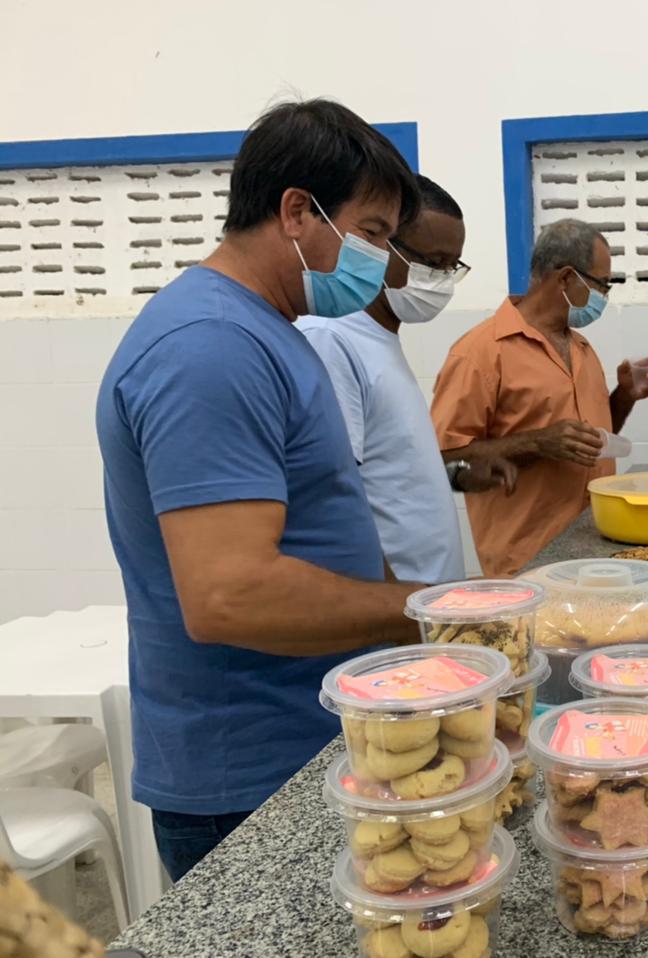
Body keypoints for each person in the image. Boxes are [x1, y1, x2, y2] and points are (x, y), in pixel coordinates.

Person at [95, 99, 426, 881]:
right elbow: (230, 596)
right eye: (372, 232)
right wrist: (429, 611)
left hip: (310, 740)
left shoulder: (269, 329)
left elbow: (327, 517)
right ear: (297, 212)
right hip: (249, 779)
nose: (384, 262)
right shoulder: (209, 347)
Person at [298, 175, 515, 585]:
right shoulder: (331, 339)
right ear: (380, 246)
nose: (442, 279)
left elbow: (383, 468)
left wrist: (455, 474)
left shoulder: (379, 337)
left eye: (452, 266)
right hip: (391, 603)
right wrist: (390, 604)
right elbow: (332, 497)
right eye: (432, 263)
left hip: (421, 600)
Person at [431, 218, 648, 576]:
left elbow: (591, 443)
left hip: (591, 551)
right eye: (602, 284)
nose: (604, 297)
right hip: (526, 563)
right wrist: (538, 443)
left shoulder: (581, 348)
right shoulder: (480, 352)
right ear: (567, 278)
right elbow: (442, 459)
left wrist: (625, 397)